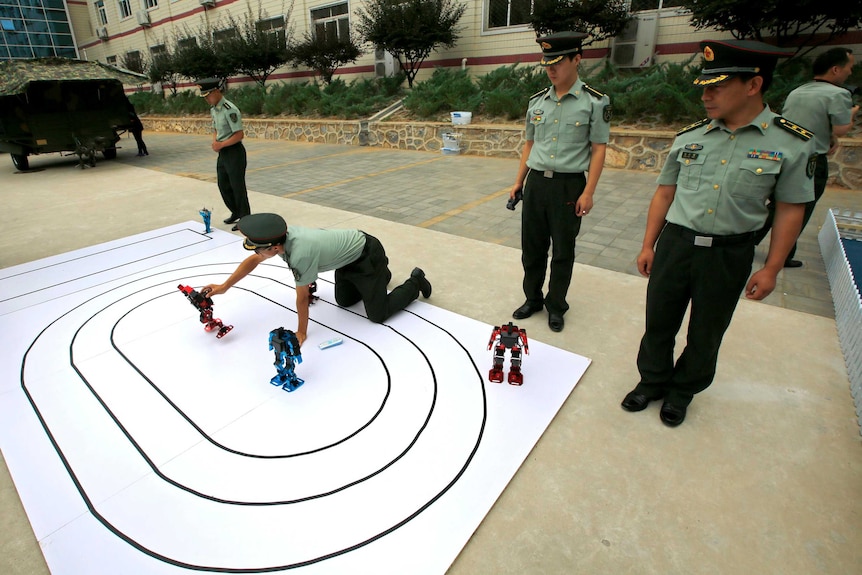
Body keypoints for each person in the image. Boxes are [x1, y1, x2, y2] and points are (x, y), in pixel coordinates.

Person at [620, 39, 816, 427]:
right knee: (659, 320)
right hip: (677, 243)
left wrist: (772, 268)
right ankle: (653, 380)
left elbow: (791, 210)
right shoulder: (691, 136)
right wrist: (648, 244)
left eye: (716, 87)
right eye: (704, 88)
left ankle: (682, 391)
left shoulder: (790, 143)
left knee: (707, 330)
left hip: (729, 252)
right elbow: (664, 193)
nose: (706, 96)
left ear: (753, 85)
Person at [202, 213, 432, 346]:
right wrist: (223, 287)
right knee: (343, 301)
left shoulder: (300, 253)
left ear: (275, 247)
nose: (258, 254)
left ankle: (415, 282)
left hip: (366, 254)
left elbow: (302, 299)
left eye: (261, 250)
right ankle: (381, 276)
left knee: (377, 315)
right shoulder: (280, 239)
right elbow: (253, 261)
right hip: (346, 261)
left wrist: (301, 332)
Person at [508, 31, 610, 333]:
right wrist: (518, 182)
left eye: (558, 62)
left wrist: (589, 191)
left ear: (576, 60)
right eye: (547, 63)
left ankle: (556, 305)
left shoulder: (594, 102)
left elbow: (599, 148)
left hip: (569, 186)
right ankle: (533, 299)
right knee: (532, 249)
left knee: (563, 251)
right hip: (537, 184)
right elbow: (529, 144)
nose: (551, 69)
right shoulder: (537, 102)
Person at [754, 47, 859, 267]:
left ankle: (751, 239)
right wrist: (851, 115)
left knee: (776, 204)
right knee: (800, 207)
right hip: (811, 159)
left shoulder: (798, 91)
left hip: (784, 153)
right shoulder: (839, 94)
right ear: (835, 69)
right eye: (849, 68)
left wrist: (828, 136)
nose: (850, 72)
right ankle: (782, 256)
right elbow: (840, 129)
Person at [198, 78, 251, 232]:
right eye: (205, 97)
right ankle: (235, 211)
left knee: (237, 186)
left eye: (208, 96)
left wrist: (221, 144)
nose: (207, 99)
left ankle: (245, 217)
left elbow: (239, 134)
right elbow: (215, 129)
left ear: (216, 91)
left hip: (234, 151)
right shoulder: (214, 109)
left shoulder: (230, 109)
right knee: (223, 184)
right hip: (223, 152)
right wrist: (215, 142)